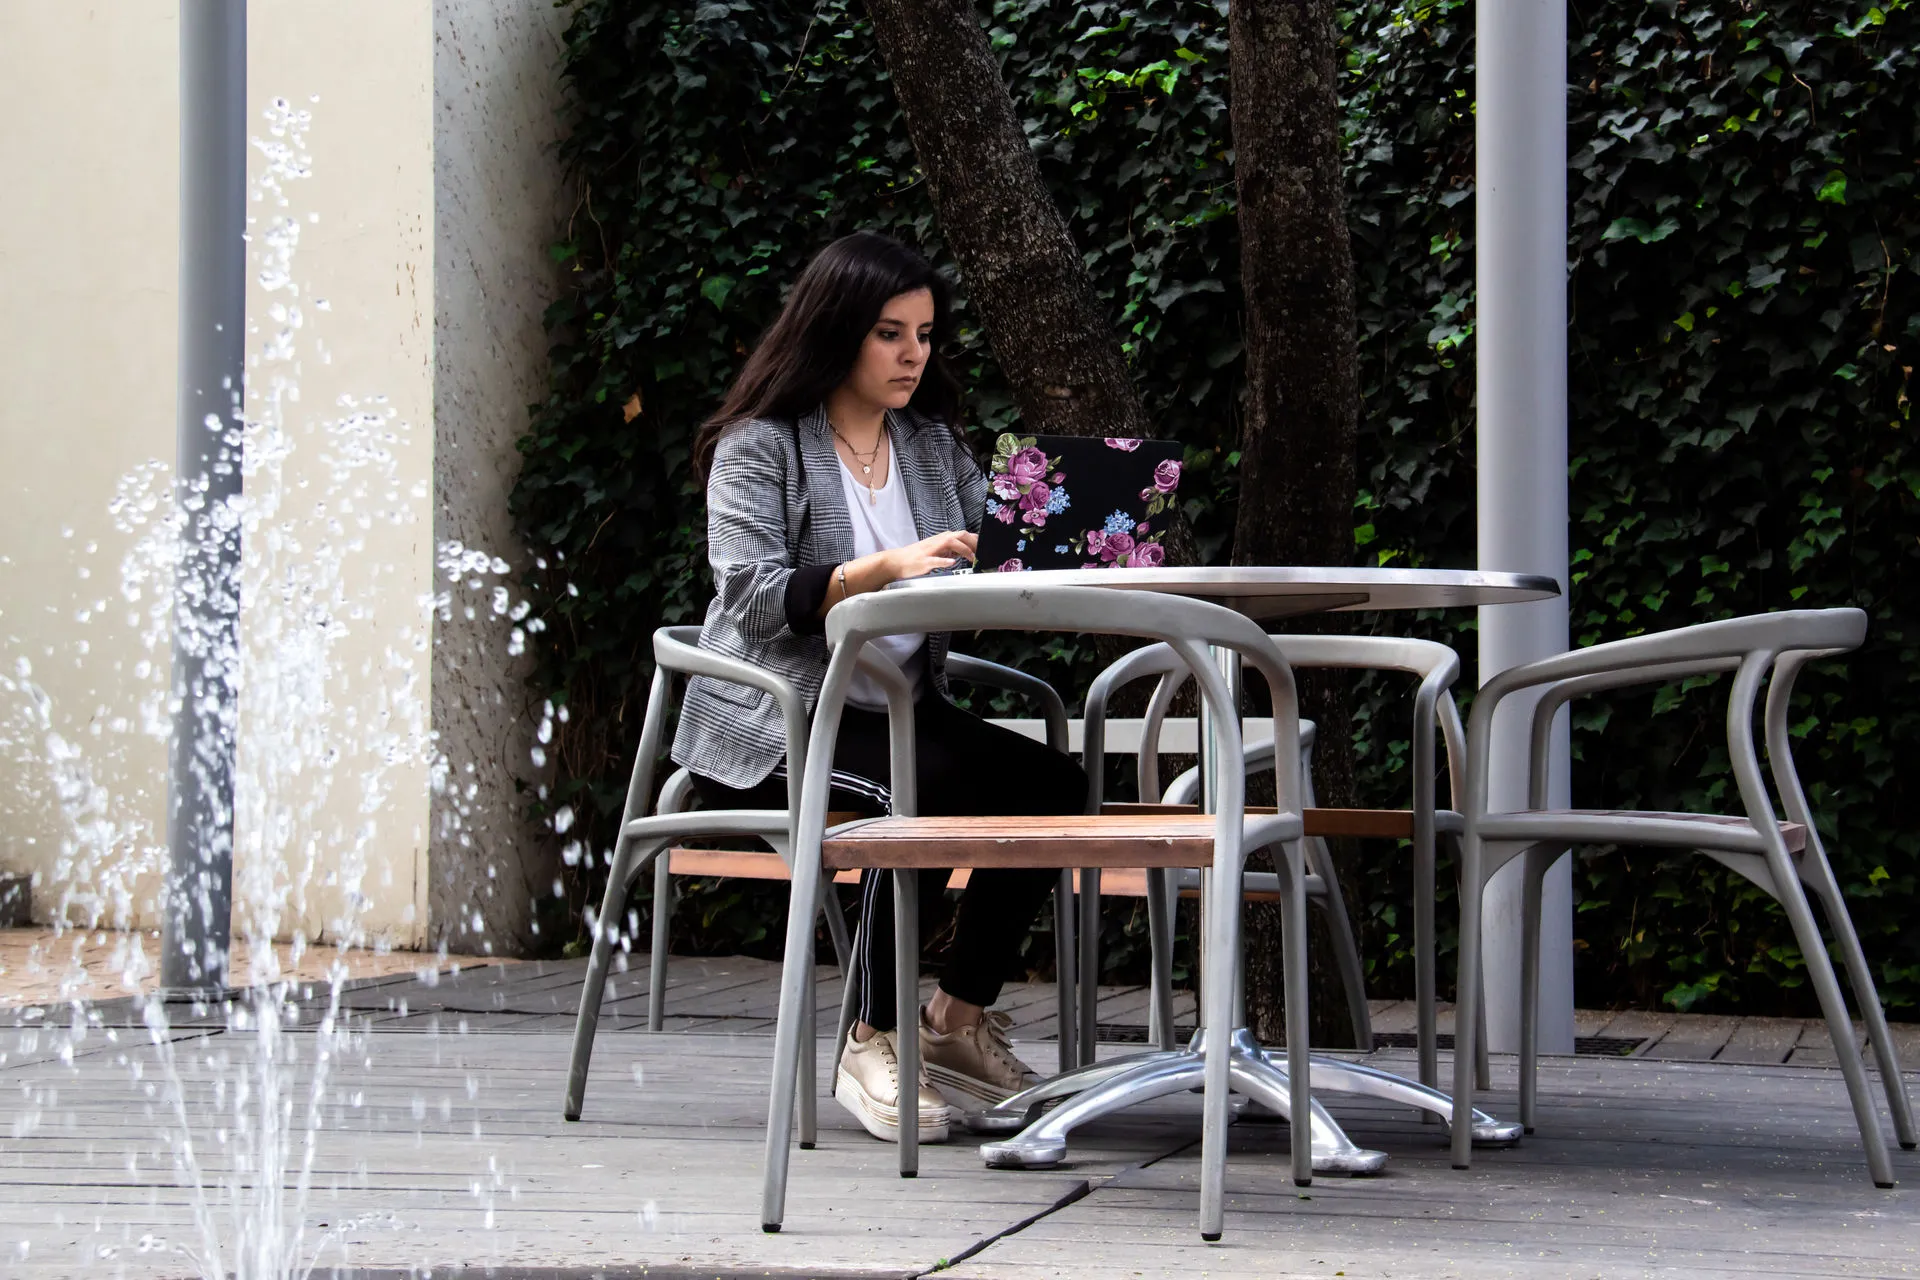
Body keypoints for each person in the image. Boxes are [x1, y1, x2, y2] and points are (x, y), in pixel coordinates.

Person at [672, 231, 1087, 1144]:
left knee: (1056, 785)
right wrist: (884, 566)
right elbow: (750, 598)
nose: (913, 355)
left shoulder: (930, 446)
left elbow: (1006, 547)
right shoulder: (759, 447)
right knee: (918, 791)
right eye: (890, 334)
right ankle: (870, 1037)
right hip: (779, 722)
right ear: (836, 331)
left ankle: (954, 1024)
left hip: (900, 711)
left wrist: (1079, 535)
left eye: (925, 335)